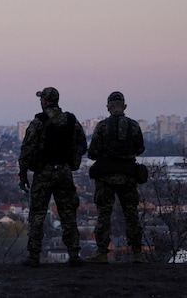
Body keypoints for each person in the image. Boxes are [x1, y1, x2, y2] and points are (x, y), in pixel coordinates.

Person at [18, 86, 87, 267]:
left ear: (45, 101)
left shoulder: (39, 121)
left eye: (41, 99)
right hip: (64, 172)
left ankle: (34, 255)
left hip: (43, 172)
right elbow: (82, 143)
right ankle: (74, 253)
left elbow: (27, 149)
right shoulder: (71, 120)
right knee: (67, 213)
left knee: (38, 213)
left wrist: (23, 174)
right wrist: (73, 161)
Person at [85, 91, 145, 263]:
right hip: (128, 176)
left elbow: (93, 153)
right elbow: (140, 149)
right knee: (131, 214)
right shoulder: (134, 126)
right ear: (124, 107)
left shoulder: (102, 126)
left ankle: (102, 252)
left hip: (106, 178)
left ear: (108, 107)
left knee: (104, 214)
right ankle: (137, 253)